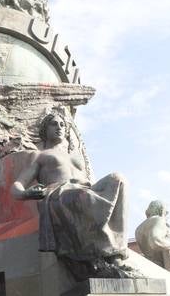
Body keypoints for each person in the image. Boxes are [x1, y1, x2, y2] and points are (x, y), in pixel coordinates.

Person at [12, 111, 133, 279]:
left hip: (82, 190)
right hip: (59, 194)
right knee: (82, 195)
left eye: (62, 125)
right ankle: (99, 255)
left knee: (119, 179)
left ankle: (116, 253)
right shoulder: (39, 155)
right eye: (54, 124)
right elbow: (16, 187)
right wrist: (26, 193)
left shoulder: (74, 156)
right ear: (44, 130)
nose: (59, 128)